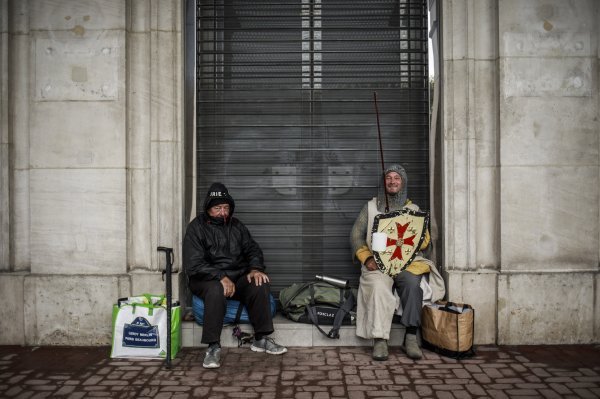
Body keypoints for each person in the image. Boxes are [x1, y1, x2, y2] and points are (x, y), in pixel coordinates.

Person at [183, 182, 287, 369]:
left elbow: (253, 249)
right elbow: (194, 264)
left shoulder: (237, 226)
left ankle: (261, 338)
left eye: (226, 207)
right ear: (208, 208)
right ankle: (213, 347)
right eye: (217, 208)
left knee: (259, 283)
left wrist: (255, 268)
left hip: (237, 276)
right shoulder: (196, 228)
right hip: (205, 278)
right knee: (215, 289)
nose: (223, 212)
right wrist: (220, 276)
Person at [350, 164, 445, 360]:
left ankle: (410, 336)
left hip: (406, 263)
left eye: (397, 178)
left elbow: (424, 243)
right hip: (378, 263)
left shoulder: (413, 209)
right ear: (383, 182)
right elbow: (356, 236)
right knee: (377, 287)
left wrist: (420, 235)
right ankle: (380, 340)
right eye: (389, 178)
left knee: (412, 285)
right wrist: (367, 258)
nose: (392, 181)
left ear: (403, 183)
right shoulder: (370, 207)